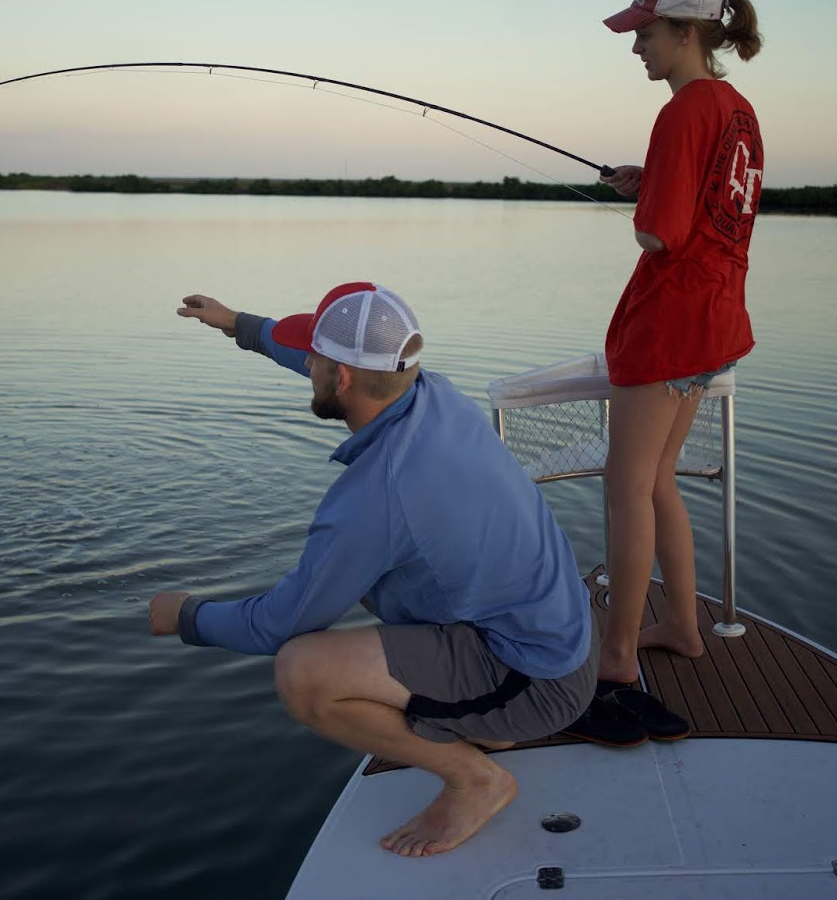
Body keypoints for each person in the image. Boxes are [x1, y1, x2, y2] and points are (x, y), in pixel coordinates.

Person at [153, 282, 595, 858]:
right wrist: (238, 324)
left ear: (340, 378)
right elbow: (327, 364)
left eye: (312, 355)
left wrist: (183, 616)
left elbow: (276, 625)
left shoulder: (376, 497)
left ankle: (476, 780)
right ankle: (484, 724)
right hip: (563, 638)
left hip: (535, 680)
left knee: (304, 670)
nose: (303, 360)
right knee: (369, 582)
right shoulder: (432, 394)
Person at [589, 0, 765, 734]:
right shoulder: (737, 109)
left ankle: (617, 661)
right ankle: (685, 627)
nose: (636, 49)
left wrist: (646, 196)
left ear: (686, 33)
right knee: (660, 479)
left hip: (668, 327)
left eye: (646, 34)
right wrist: (651, 180)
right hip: (717, 324)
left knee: (626, 487)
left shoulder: (681, 112)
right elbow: (707, 205)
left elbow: (661, 233)